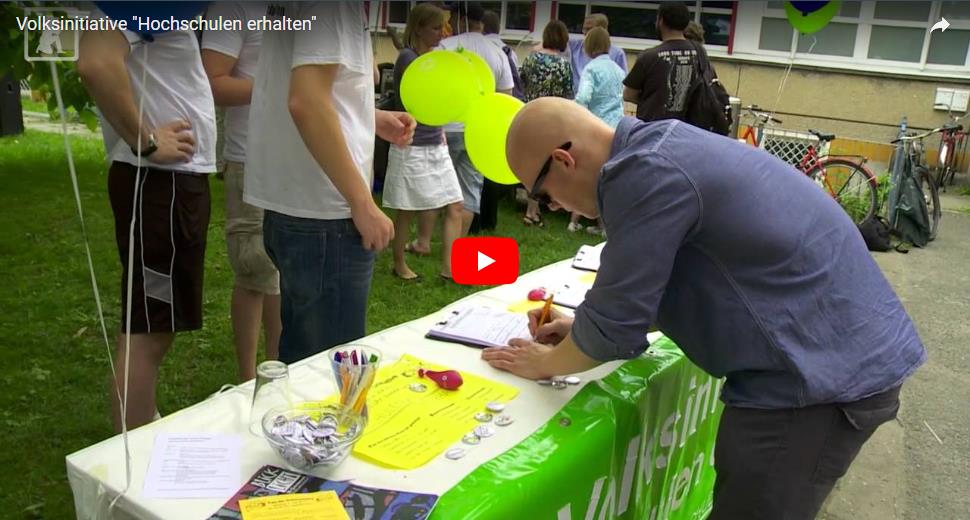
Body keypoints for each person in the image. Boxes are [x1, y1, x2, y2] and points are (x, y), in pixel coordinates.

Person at [484, 97, 926, 520]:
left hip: (814, 382)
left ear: (564, 160)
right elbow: (668, 281)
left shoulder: (640, 172)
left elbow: (613, 329)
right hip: (833, 355)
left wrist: (545, 363)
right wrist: (580, 326)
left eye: (543, 196)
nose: (553, 207)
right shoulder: (660, 146)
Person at [244, 2, 415, 364]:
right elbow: (306, 101)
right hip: (325, 216)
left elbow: (314, 91)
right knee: (326, 373)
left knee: (305, 358)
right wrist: (362, 202)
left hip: (298, 206)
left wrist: (371, 118)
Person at [77, 11, 216, 430]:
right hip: (161, 185)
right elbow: (96, 62)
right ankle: (133, 455)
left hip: (165, 186)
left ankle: (138, 427)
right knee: (149, 329)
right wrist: (147, 141)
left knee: (151, 320)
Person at [201, 2, 281, 382]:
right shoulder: (232, 8)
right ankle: (248, 378)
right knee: (253, 267)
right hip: (251, 157)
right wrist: (277, 86)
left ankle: (279, 367)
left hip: (300, 159)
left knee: (283, 268)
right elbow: (212, 81)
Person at [383, 3, 464, 281]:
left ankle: (450, 269)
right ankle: (398, 262)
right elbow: (422, 99)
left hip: (435, 143)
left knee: (454, 204)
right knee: (406, 209)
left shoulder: (433, 57)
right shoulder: (408, 57)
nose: (441, 33)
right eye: (435, 27)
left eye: (443, 27)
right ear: (418, 28)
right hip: (411, 144)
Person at [438, 2, 514, 237]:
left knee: (437, 185)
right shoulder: (497, 52)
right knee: (470, 189)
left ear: (461, 19)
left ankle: (426, 238)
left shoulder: (445, 47)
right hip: (475, 130)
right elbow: (505, 96)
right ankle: (457, 243)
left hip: (445, 126)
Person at [518, 19, 573, 228]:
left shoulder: (531, 59)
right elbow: (568, 95)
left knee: (532, 162)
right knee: (545, 165)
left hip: (530, 115)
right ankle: (535, 210)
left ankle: (531, 210)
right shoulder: (563, 65)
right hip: (552, 120)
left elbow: (521, 83)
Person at [569, 27, 622, 235]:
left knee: (586, 174)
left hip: (594, 127)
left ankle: (574, 220)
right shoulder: (618, 70)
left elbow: (583, 98)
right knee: (609, 178)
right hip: (616, 128)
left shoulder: (591, 69)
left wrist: (571, 112)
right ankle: (604, 226)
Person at [623, 2, 712, 123]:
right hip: (688, 130)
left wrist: (653, 101)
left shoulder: (648, 57)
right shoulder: (700, 53)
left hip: (652, 130)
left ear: (661, 21)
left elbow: (628, 94)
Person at [566, 13, 627, 96]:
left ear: (603, 30)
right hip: (577, 99)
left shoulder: (617, 53)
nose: (585, 33)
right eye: (584, 29)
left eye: (589, 29)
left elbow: (622, 83)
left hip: (601, 103)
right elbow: (553, 39)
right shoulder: (574, 46)